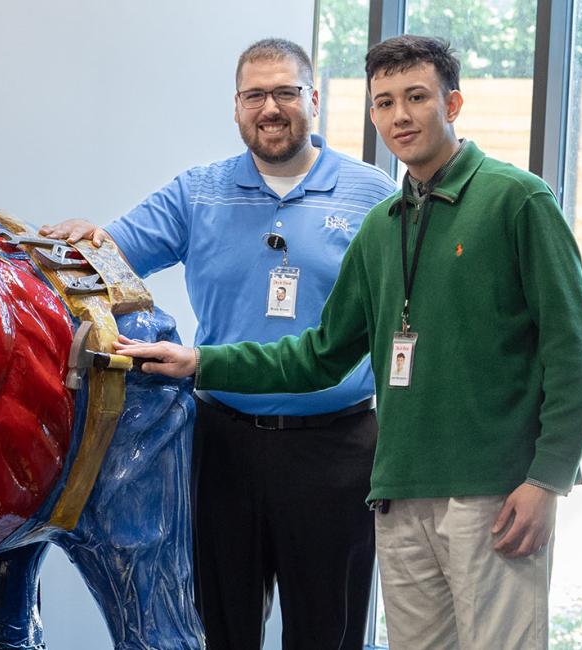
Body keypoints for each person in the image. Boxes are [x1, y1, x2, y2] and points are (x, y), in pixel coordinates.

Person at [116, 35, 582, 649]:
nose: (400, 116)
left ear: (452, 105)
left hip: (484, 489)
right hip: (396, 488)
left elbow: (576, 351)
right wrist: (199, 362)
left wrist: (548, 478)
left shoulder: (516, 200)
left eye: (417, 97)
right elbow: (322, 353)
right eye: (384, 102)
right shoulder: (386, 222)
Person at [41, 38, 396, 649]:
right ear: (236, 107)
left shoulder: (372, 195)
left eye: (286, 92)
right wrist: (78, 245)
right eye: (255, 95)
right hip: (221, 444)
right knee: (220, 627)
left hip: (337, 449)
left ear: (313, 99)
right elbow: (110, 258)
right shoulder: (197, 192)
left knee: (329, 632)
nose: (271, 108)